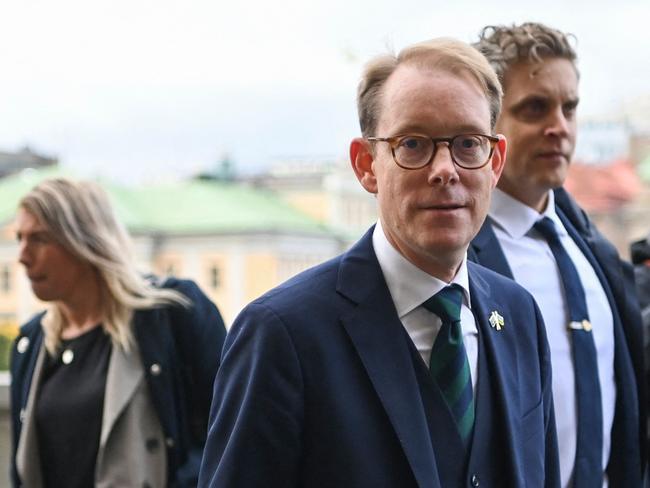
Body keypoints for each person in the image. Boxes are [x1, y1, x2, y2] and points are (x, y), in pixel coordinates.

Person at [199, 38, 560, 487]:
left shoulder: (519, 316)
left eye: (468, 143)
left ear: (495, 161)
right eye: (413, 143)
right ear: (367, 164)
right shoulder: (283, 334)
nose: (445, 169)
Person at [468, 22, 646, 487]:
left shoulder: (592, 248)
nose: (559, 127)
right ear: (486, 123)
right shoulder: (456, 261)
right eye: (535, 108)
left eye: (570, 107)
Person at [10, 178, 227, 487]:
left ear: (85, 240)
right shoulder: (30, 343)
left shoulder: (172, 313)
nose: (22, 256)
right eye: (20, 238)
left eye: (40, 239)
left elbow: (229, 427)